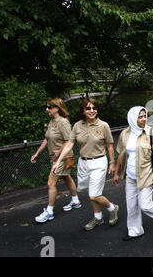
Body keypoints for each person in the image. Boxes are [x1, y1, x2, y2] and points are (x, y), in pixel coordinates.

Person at [52, 98, 119, 231]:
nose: (91, 111)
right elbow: (69, 144)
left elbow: (110, 146)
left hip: (99, 162)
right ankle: (98, 218)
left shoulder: (103, 125)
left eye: (94, 108)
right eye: (88, 108)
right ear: (83, 111)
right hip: (83, 163)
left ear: (97, 110)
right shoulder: (77, 126)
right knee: (91, 192)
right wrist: (57, 162)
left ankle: (113, 208)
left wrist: (112, 163)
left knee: (93, 195)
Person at [114, 106, 153, 241]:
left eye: (145, 116)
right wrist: (116, 173)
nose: (144, 119)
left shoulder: (152, 133)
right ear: (132, 118)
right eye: (140, 117)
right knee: (131, 204)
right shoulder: (125, 134)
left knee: (145, 205)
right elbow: (121, 155)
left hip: (146, 175)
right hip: (130, 176)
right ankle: (135, 230)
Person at [31, 98, 81, 223]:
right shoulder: (52, 121)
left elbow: (68, 141)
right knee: (66, 178)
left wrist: (58, 154)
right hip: (55, 158)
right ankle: (76, 201)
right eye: (47, 107)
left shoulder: (63, 122)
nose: (47, 109)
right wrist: (37, 153)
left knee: (50, 183)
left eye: (49, 107)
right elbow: (47, 139)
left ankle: (49, 212)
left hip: (63, 158)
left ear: (57, 108)